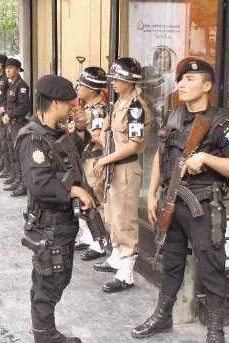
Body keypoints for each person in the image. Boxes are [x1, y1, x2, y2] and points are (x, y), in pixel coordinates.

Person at [131, 60, 229, 343]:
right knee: (170, 263)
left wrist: (207, 158)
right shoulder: (173, 116)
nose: (181, 84)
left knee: (210, 267)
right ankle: (162, 315)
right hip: (172, 203)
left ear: (207, 86)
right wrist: (153, 193)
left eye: (190, 79)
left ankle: (215, 330)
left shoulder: (221, 123)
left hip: (203, 208)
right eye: (180, 79)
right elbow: (160, 155)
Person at [15, 74, 94, 343]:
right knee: (47, 286)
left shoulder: (51, 132)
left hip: (60, 225)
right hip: (48, 227)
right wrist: (75, 190)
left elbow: (66, 158)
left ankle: (48, 334)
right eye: (70, 103)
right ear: (57, 103)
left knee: (56, 281)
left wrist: (81, 132)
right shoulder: (32, 137)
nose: (73, 108)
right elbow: (40, 184)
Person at [92, 58, 152, 293]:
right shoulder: (118, 104)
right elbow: (106, 135)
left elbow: (132, 146)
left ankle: (126, 273)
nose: (113, 83)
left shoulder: (135, 107)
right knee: (114, 216)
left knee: (125, 219)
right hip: (114, 168)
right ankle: (117, 256)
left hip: (125, 168)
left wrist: (105, 159)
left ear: (130, 81)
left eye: (117, 79)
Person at [71, 67, 109, 261]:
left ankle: (100, 242)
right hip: (84, 159)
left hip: (94, 158)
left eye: (83, 84)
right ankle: (88, 234)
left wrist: (78, 132)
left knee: (95, 199)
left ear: (92, 88)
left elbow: (97, 135)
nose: (79, 87)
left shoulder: (98, 109)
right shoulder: (87, 108)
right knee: (85, 198)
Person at [1, 58, 30, 197]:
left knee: (19, 153)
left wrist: (10, 115)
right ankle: (16, 179)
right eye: (6, 68)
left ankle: (23, 184)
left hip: (17, 124)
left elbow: (25, 106)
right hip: (10, 124)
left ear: (18, 70)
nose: (7, 70)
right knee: (12, 152)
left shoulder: (22, 86)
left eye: (11, 68)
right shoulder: (12, 85)